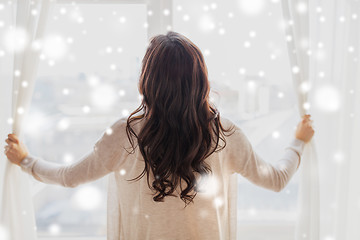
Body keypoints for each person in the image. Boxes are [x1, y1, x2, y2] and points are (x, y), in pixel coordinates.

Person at [4, 31, 314, 240]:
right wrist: (298, 140)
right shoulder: (225, 134)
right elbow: (276, 180)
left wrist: (26, 160)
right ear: (200, 80)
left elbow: (70, 177)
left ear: (148, 79)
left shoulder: (124, 134)